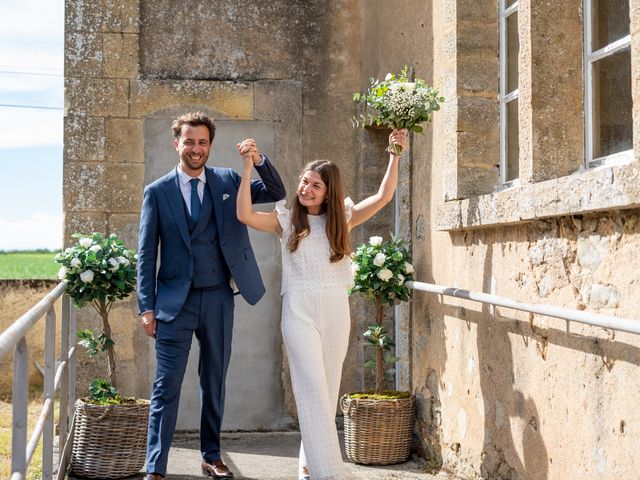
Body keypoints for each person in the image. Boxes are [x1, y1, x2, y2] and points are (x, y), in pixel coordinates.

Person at [236, 128, 408, 480]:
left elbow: (383, 196)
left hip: (335, 311)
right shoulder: (285, 220)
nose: (305, 189)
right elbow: (244, 215)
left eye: (315, 185)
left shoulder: (340, 219)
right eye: (304, 182)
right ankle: (330, 473)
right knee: (312, 388)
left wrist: (395, 152)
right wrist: (247, 167)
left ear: (329, 191)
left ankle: (307, 467)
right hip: (298, 311)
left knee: (327, 394)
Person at [137, 112, 286, 480]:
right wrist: (146, 306)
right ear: (177, 144)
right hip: (174, 303)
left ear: (210, 145)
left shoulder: (228, 180)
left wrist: (257, 159)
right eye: (189, 142)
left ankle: (212, 455)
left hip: (219, 297)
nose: (196, 149)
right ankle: (155, 466)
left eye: (202, 142)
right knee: (166, 386)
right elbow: (145, 254)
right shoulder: (157, 192)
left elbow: (275, 192)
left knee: (214, 379)